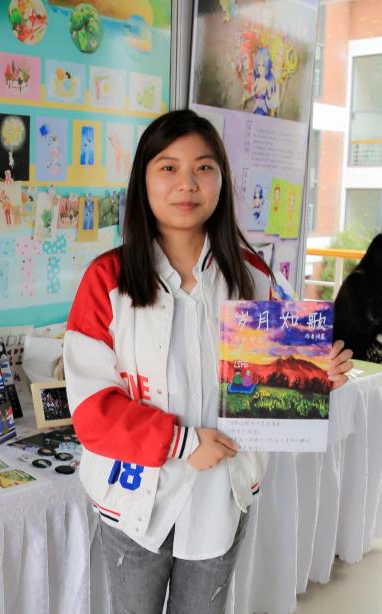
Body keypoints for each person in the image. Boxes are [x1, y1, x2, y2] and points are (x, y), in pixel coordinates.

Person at [63, 110, 353, 614]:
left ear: (221, 179)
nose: (187, 183)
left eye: (204, 167)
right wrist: (182, 442)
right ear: (143, 179)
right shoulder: (107, 279)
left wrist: (315, 376)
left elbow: (274, 378)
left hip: (222, 492)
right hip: (136, 496)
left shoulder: (253, 276)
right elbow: (92, 410)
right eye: (168, 168)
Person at [334, 233, 382, 363]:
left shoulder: (376, 283)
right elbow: (364, 326)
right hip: (349, 350)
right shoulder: (357, 282)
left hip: (365, 345)